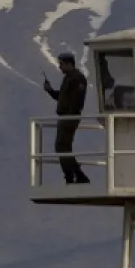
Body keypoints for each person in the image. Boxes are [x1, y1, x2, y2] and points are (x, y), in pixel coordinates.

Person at [42, 53, 90, 184]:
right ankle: (74, 174)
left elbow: (77, 100)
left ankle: (75, 175)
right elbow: (62, 97)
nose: (60, 67)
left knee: (62, 146)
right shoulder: (69, 78)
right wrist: (50, 90)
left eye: (62, 64)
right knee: (63, 147)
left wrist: (70, 115)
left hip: (69, 117)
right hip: (65, 116)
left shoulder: (77, 78)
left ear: (69, 63)